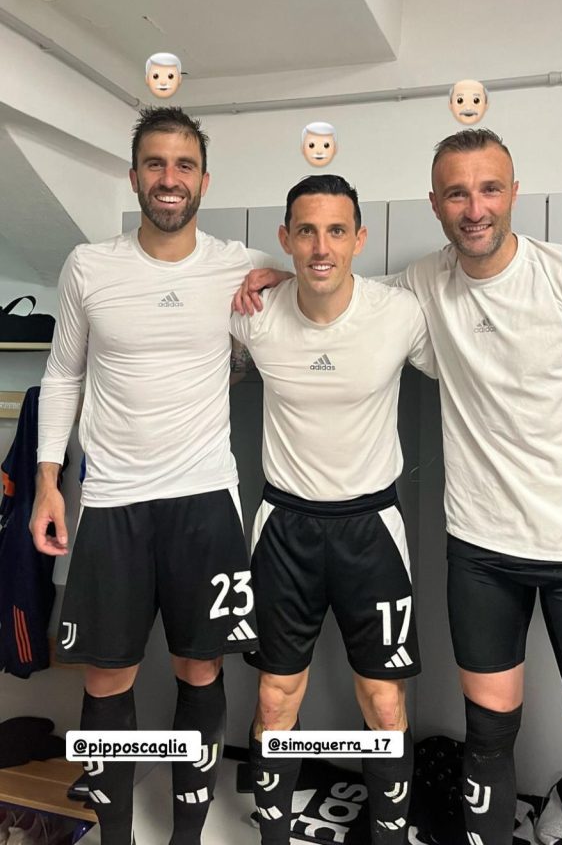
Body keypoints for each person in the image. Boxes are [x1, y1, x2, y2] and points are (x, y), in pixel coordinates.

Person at [31, 106, 279, 845]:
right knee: (106, 678)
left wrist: (282, 274)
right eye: (156, 164)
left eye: (184, 165)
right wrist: (48, 483)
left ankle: (186, 837)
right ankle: (114, 837)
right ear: (135, 174)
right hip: (112, 503)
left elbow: (319, 274)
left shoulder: (237, 263)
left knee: (201, 670)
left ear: (205, 179)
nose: (170, 178)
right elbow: (63, 375)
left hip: (205, 500)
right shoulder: (89, 265)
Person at [389, 128, 562, 845]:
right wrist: (275, 277)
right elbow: (341, 296)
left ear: (513, 193)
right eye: (457, 193)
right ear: (435, 204)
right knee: (488, 736)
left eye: (489, 189)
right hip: (482, 549)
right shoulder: (423, 283)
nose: (474, 209)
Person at [230, 174, 435, 845]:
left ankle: (389, 836)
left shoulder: (398, 313)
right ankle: (272, 836)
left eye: (337, 231)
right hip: (283, 527)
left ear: (359, 239)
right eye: (307, 232)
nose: (322, 247)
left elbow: (477, 364)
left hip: (371, 529)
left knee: (384, 702)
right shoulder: (254, 313)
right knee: (273, 699)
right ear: (287, 239)